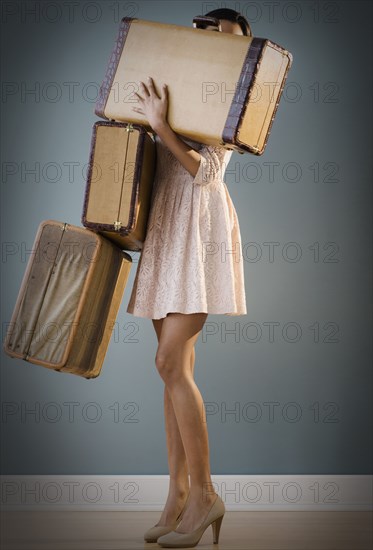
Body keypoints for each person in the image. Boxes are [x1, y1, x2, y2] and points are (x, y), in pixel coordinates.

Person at [126, 8, 251, 548]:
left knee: (168, 362)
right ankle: (177, 496)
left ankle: (205, 495)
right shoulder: (174, 80)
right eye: (213, 37)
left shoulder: (231, 94)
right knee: (174, 369)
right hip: (165, 220)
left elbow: (208, 171)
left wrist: (159, 126)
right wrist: (144, 117)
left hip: (200, 224)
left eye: (231, 41)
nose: (221, 47)